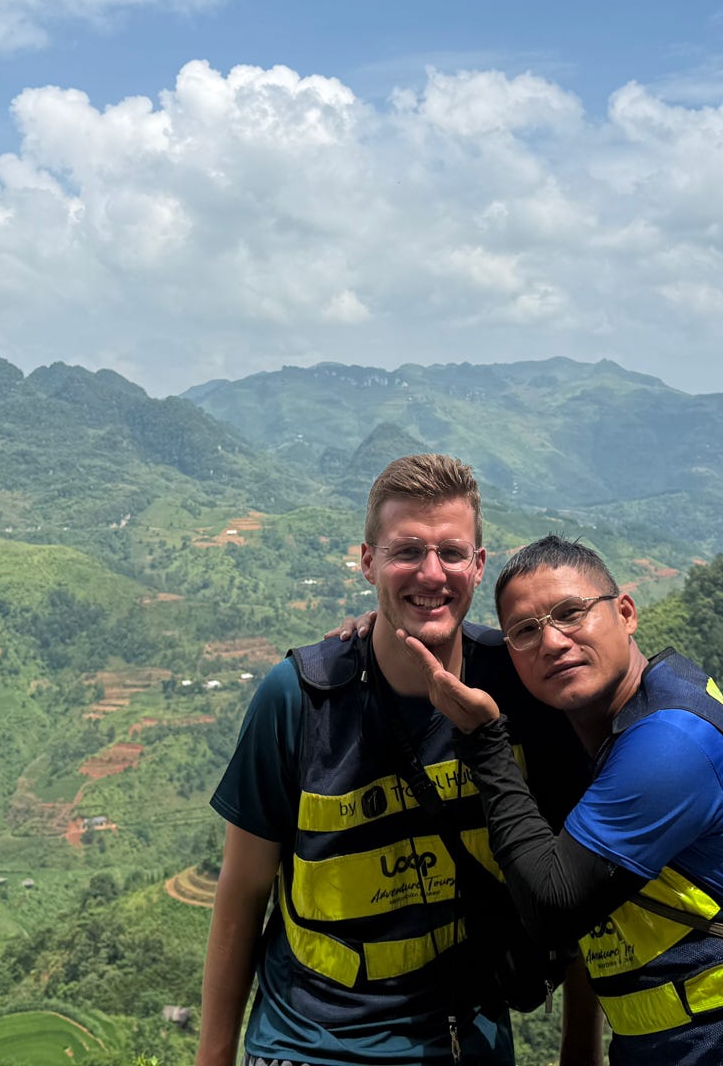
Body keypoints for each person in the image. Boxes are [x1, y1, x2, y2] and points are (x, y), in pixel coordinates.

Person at [402, 535, 723, 1066]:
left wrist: (486, 744)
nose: (552, 642)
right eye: (525, 631)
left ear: (626, 613)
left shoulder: (670, 743)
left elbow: (554, 907)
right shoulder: (608, 729)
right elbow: (599, 904)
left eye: (571, 613)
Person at [197, 456, 599, 1066]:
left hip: (471, 1040)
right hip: (312, 1044)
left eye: (452, 553)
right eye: (407, 551)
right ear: (369, 563)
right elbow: (243, 890)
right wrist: (213, 1056)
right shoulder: (300, 699)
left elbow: (579, 875)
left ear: (478, 565)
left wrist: (581, 1048)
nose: (431, 574)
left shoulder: (521, 687)